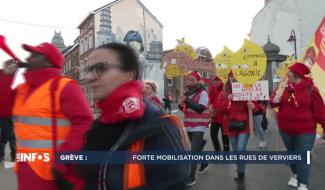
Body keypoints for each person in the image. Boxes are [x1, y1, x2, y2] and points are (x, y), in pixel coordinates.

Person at [81, 42, 189, 190]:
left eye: (100, 68)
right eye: (89, 70)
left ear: (129, 75)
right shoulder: (99, 124)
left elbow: (171, 183)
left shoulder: (158, 126)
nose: (89, 77)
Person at [0, 42, 93, 190]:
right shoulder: (21, 89)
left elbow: (84, 124)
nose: (28, 58)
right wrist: (6, 77)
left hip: (52, 171)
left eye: (34, 55)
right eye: (29, 55)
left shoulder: (65, 87)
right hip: (25, 167)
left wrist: (64, 159)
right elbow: (3, 111)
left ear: (49, 62)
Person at [270, 62, 325, 190]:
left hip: (306, 130)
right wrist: (274, 101)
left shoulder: (311, 89)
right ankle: (294, 175)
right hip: (286, 129)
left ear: (297, 75)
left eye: (289, 74)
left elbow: (320, 111)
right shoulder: (282, 87)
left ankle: (303, 184)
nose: (287, 76)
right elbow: (271, 103)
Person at [216, 71, 256, 189]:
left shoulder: (247, 89)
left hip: (244, 125)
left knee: (240, 149)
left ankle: (241, 174)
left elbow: (254, 105)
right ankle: (240, 169)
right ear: (228, 78)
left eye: (236, 76)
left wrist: (252, 106)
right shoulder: (224, 93)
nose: (233, 78)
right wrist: (227, 100)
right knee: (236, 150)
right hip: (231, 126)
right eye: (231, 76)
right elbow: (219, 110)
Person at [179, 71, 210, 186]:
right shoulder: (186, 93)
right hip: (189, 125)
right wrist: (181, 103)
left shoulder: (203, 93)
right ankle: (204, 163)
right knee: (196, 149)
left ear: (198, 81)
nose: (190, 81)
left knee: (193, 151)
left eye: (193, 79)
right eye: (189, 79)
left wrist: (187, 100)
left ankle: (191, 177)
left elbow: (200, 109)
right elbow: (184, 109)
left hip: (200, 125)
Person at [209, 76, 230, 152]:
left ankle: (226, 151)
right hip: (215, 116)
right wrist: (210, 106)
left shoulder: (225, 89)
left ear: (221, 80)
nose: (215, 82)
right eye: (214, 80)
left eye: (217, 80)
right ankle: (217, 150)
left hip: (224, 116)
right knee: (213, 135)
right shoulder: (212, 89)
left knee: (225, 135)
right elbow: (210, 101)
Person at [0, 66, 16, 162]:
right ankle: (13, 155)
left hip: (9, 114)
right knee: (10, 136)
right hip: (6, 114)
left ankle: (3, 155)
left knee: (6, 136)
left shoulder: (13, 80)